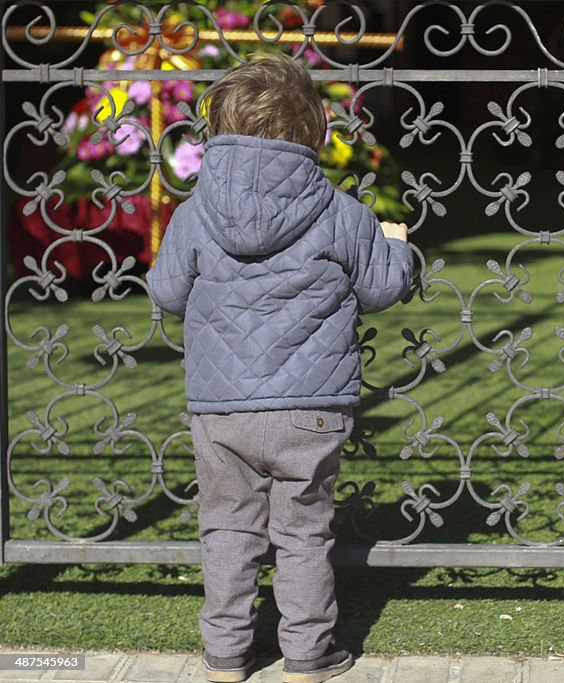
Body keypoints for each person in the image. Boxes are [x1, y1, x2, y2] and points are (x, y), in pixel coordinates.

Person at [148, 52, 413, 683]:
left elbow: (166, 293)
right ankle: (306, 656)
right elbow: (379, 289)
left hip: (220, 410)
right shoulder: (340, 211)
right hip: (310, 407)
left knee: (227, 529)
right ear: (316, 132)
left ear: (216, 131)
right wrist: (400, 250)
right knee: (303, 534)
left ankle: (225, 655)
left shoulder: (194, 212)